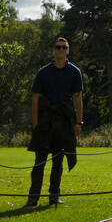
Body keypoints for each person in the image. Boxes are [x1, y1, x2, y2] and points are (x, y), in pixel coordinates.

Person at [26, 37, 83, 207]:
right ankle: (33, 198)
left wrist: (79, 123)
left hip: (63, 123)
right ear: (53, 50)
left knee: (58, 162)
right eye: (57, 47)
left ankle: (54, 196)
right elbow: (35, 98)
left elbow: (78, 98)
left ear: (67, 51)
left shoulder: (74, 72)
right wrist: (35, 124)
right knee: (39, 162)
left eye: (63, 47)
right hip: (45, 122)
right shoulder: (43, 72)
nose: (60, 50)